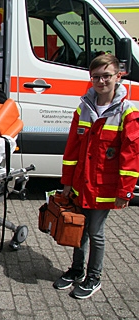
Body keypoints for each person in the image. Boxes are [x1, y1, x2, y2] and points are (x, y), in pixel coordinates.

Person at [53, 54, 139, 299]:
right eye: (96, 77)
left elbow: (131, 157)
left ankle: (94, 277)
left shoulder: (126, 113)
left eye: (107, 76)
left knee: (95, 232)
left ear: (118, 77)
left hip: (104, 187)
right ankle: (76, 271)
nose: (101, 81)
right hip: (81, 183)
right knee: (78, 228)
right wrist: (67, 182)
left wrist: (125, 192)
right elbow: (72, 149)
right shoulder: (83, 108)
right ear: (91, 79)